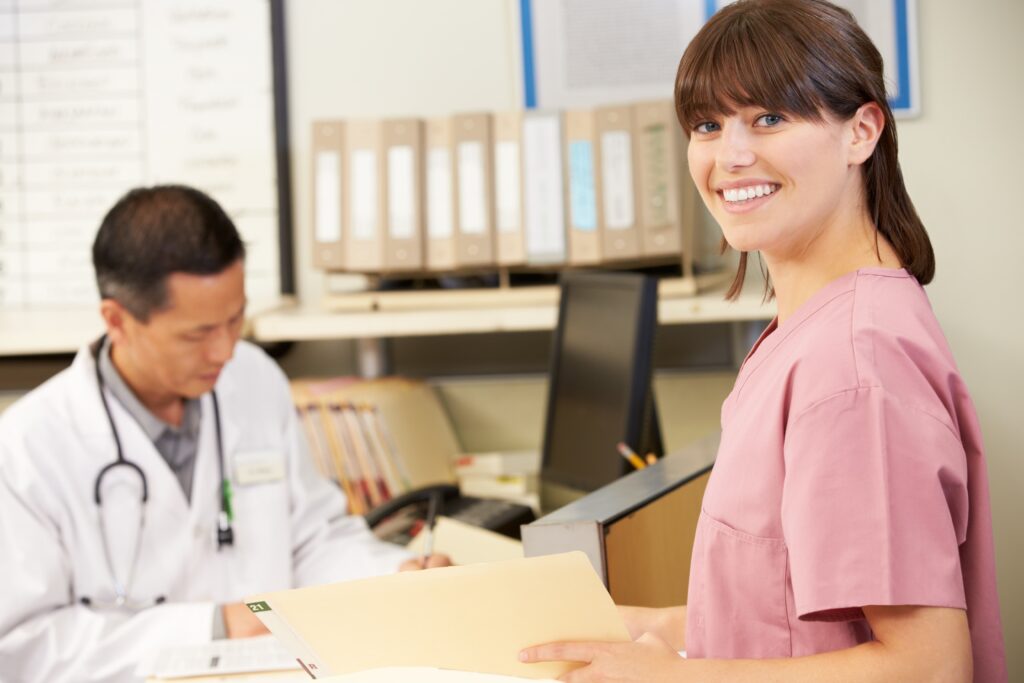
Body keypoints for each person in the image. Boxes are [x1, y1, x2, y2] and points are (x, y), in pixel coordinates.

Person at [520, 1, 1007, 680]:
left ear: (861, 131)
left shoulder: (851, 364)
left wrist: (671, 677)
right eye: (707, 125)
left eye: (769, 118)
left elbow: (927, 666)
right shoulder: (814, 328)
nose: (731, 155)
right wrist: (644, 628)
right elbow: (784, 611)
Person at [0, 185, 449, 683]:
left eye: (235, 320)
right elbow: (22, 647)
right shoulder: (27, 450)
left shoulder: (254, 380)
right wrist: (215, 626)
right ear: (117, 320)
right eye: (196, 334)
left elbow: (311, 542)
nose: (224, 351)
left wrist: (391, 579)